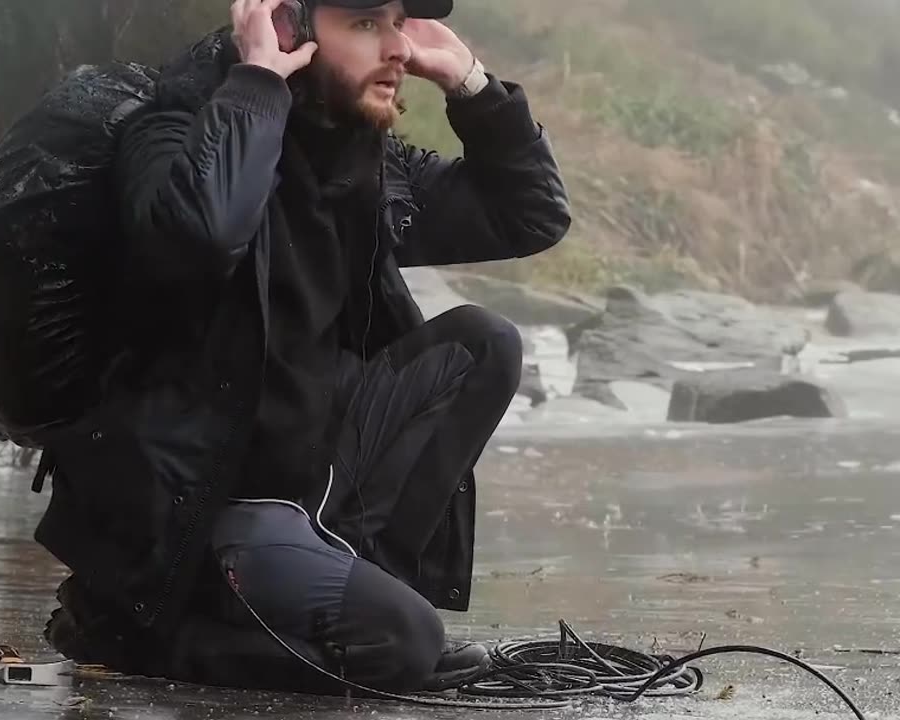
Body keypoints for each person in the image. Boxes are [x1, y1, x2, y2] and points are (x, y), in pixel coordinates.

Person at [36, 0, 571, 695]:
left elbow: (530, 214)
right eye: (367, 24)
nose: (398, 50)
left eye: (397, 23)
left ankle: (356, 580)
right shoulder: (171, 133)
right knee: (404, 649)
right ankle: (138, 636)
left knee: (481, 344)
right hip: (199, 520)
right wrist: (258, 80)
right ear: (290, 29)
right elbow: (202, 236)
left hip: (312, 492)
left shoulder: (359, 160)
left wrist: (470, 83)